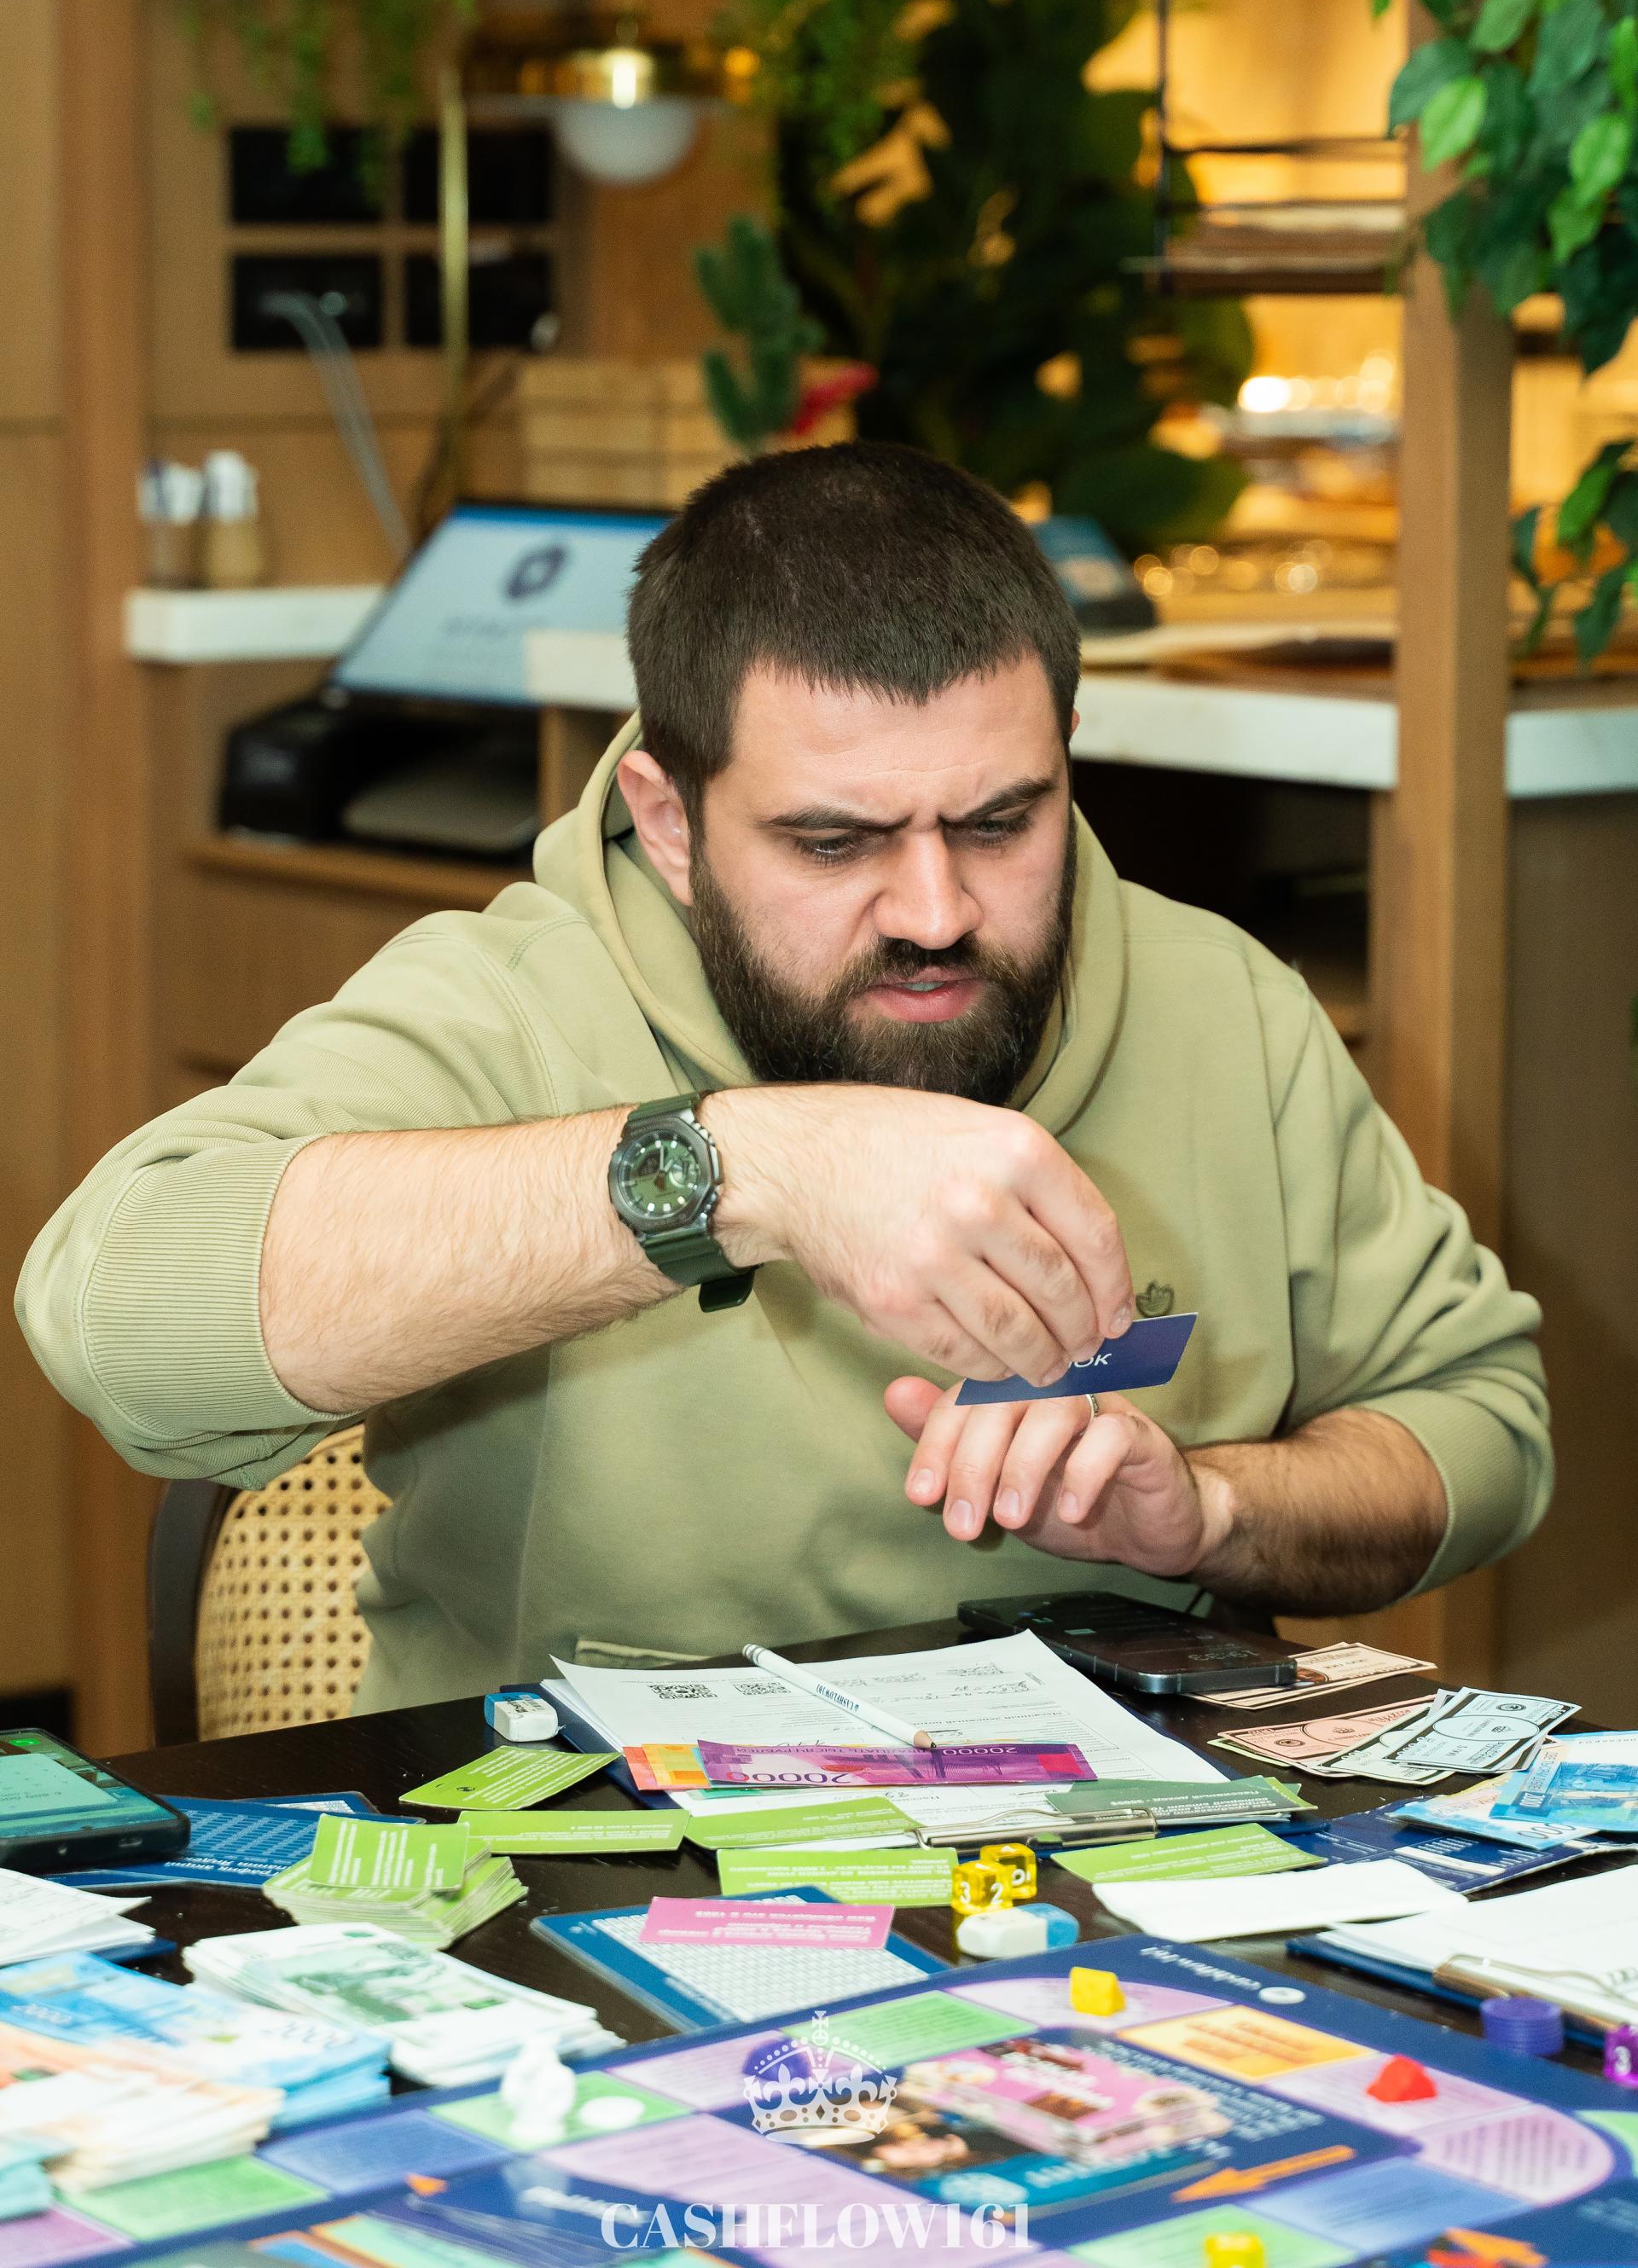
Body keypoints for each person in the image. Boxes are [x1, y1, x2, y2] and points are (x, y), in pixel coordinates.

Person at [18, 445, 1550, 1712]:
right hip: (594, 1882)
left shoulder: (1221, 999)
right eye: (834, 842)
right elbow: (111, 1315)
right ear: (669, 820)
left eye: (1001, 823)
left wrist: (1209, 1510)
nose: (936, 912)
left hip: (1125, 1880)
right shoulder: (507, 1003)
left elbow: (1480, 1424)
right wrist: (745, 1169)